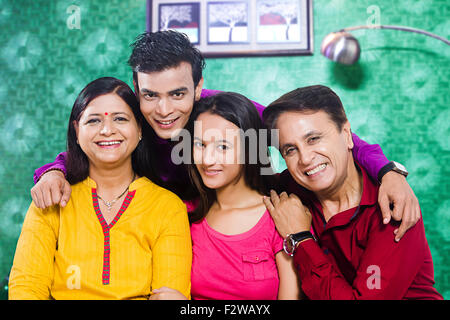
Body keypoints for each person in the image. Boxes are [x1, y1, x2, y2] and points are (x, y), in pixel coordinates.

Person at [31, 30, 420, 241]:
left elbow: (318, 134)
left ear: (200, 88)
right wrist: (52, 171)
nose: (163, 110)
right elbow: (90, 144)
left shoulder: (226, 113)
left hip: (243, 222)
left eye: (178, 94)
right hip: (168, 229)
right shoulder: (131, 117)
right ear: (137, 90)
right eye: (151, 95)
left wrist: (387, 171)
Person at [9, 77, 192, 300]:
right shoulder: (52, 197)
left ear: (140, 129)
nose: (107, 130)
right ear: (76, 130)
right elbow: (27, 286)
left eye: (120, 119)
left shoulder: (168, 207)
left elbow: (170, 294)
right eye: (94, 121)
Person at [262, 85, 443, 300]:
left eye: (314, 139)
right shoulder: (290, 188)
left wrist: (301, 239)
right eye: (290, 150)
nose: (305, 159)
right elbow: (242, 122)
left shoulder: (392, 207)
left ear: (347, 135)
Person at [151, 92, 301, 300]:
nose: (208, 159)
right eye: (200, 145)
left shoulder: (280, 216)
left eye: (223, 146)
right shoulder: (182, 213)